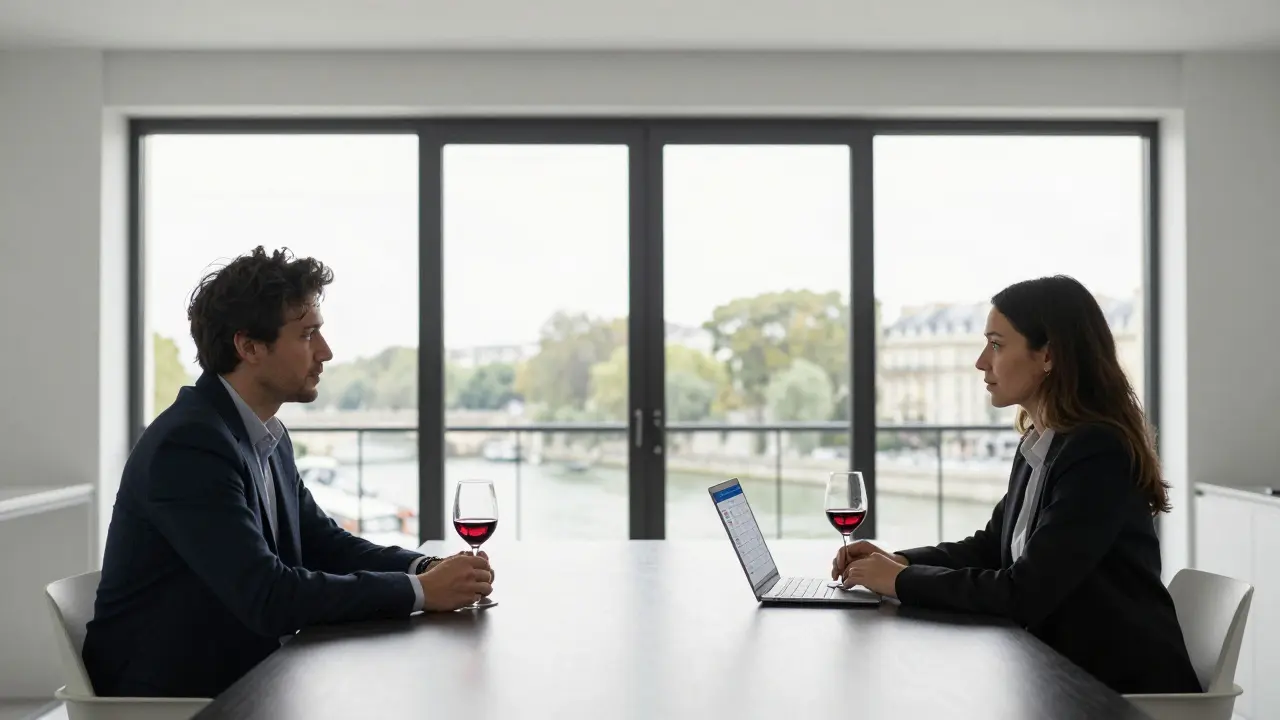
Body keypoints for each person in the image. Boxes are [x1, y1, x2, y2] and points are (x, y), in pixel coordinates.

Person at [83, 247, 494, 698]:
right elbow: (268, 596)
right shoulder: (188, 445)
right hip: (177, 698)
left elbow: (326, 545)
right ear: (249, 346)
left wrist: (426, 566)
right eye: (307, 335)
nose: (326, 352)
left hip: (251, 672)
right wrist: (419, 591)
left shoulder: (266, 435)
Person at [831, 275, 1201, 695]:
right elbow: (990, 548)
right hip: (1056, 671)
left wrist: (898, 581)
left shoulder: (1098, 453)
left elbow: (1023, 592)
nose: (981, 362)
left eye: (997, 344)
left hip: (1113, 689)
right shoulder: (1042, 444)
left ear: (1048, 355)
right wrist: (896, 560)